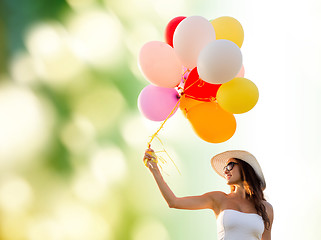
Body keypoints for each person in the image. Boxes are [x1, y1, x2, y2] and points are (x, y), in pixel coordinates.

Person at [143, 149, 274, 240]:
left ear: (245, 167)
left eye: (230, 166)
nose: (226, 171)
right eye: (225, 168)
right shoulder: (219, 198)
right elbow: (174, 202)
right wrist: (155, 170)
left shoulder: (266, 208)